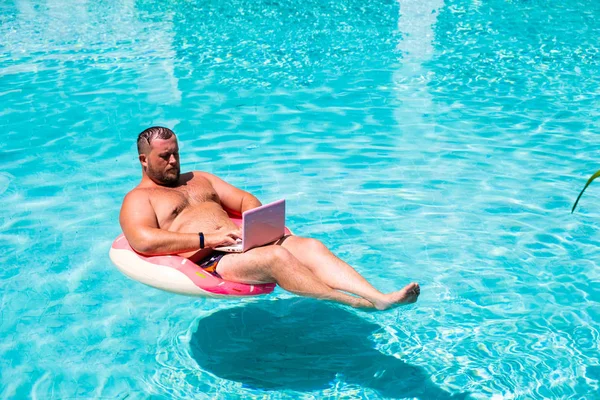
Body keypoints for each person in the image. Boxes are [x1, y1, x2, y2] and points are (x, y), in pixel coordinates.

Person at [119, 127, 420, 310]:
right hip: (211, 259)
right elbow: (143, 241)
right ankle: (356, 304)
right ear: (143, 160)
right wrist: (207, 239)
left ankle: (378, 296)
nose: (174, 161)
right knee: (277, 257)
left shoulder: (200, 179)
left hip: (239, 243)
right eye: (164, 157)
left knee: (310, 246)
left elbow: (244, 199)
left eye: (176, 153)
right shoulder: (139, 198)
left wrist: (253, 223)